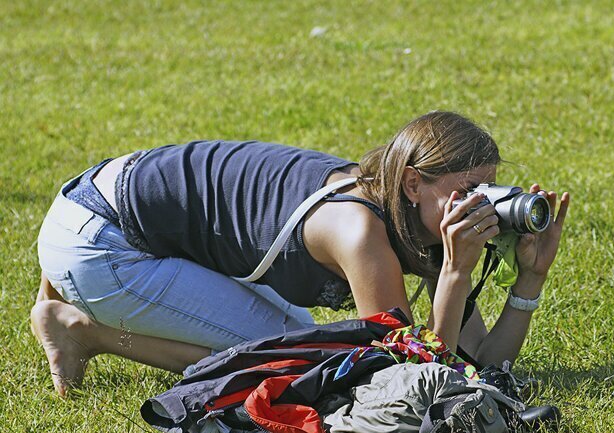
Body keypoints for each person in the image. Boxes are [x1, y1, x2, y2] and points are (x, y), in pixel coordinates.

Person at [30, 111, 569, 397]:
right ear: (410, 184)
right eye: (467, 189)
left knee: (306, 336)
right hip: (103, 238)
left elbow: (479, 360)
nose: (482, 206)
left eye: (490, 189)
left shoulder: (418, 220)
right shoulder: (359, 231)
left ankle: (71, 297)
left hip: (108, 206)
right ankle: (84, 331)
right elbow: (409, 373)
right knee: (296, 359)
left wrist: (530, 279)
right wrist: (454, 273)